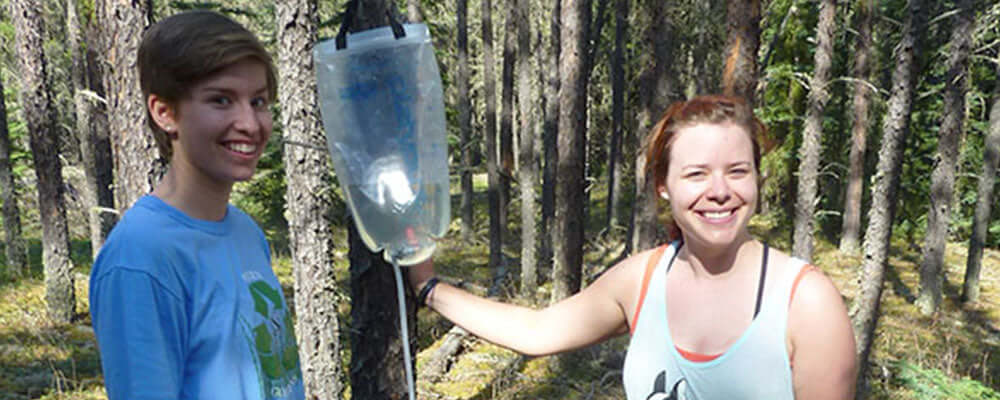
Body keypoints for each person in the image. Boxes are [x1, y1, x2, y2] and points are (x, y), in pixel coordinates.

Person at [408, 95, 857, 399]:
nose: (720, 190)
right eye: (696, 174)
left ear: (757, 179)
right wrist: (429, 286)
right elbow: (537, 331)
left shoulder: (805, 301)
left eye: (737, 171)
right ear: (664, 186)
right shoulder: (643, 280)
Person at [89, 10, 304, 400]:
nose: (250, 124)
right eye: (221, 100)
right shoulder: (140, 260)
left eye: (258, 101)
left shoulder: (244, 231)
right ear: (164, 112)